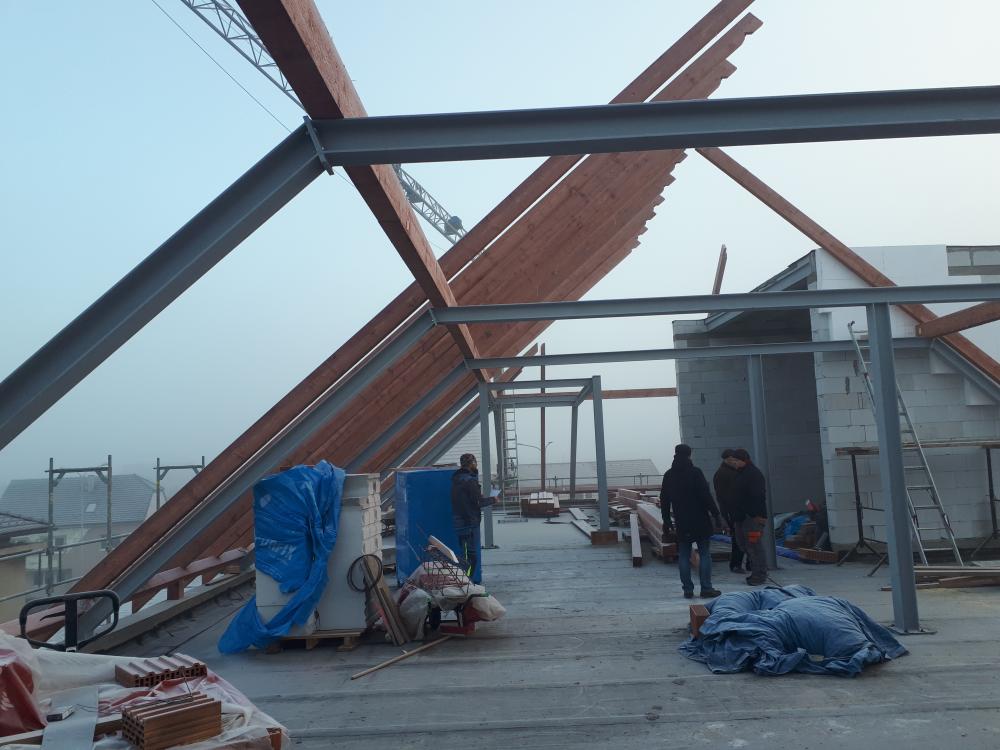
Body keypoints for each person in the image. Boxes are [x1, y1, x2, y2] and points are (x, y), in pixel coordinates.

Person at [660, 444, 722, 599]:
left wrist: (666, 520)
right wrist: (716, 514)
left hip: (682, 521)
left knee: (683, 555)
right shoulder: (695, 472)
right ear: (689, 455)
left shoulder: (669, 475)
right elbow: (706, 496)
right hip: (700, 519)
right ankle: (706, 588)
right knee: (704, 554)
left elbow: (664, 500)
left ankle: (688, 590)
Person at [730, 448, 768, 586]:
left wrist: (755, 514)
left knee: (754, 546)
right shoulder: (740, 474)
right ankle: (756, 570)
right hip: (741, 517)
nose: (734, 463)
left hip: (752, 518)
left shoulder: (753, 474)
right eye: (733, 461)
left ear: (744, 460)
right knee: (744, 545)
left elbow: (758, 496)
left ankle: (760, 574)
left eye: (736, 460)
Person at [450, 453, 492, 579]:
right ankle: (466, 581)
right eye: (475, 462)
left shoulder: (456, 479)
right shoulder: (470, 480)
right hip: (469, 523)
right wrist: (493, 499)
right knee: (472, 557)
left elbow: (466, 499)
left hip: (459, 522)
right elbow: (478, 502)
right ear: (472, 463)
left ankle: (464, 579)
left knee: (464, 553)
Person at [713, 449, 748, 573]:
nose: (734, 462)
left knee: (740, 537)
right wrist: (726, 514)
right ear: (727, 460)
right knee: (738, 538)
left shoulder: (730, 472)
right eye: (732, 459)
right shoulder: (724, 474)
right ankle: (736, 564)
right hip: (732, 511)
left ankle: (741, 563)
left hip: (734, 510)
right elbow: (723, 497)